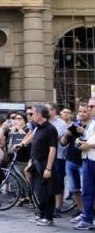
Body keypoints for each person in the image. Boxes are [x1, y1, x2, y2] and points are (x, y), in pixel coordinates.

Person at [23, 104, 59, 226]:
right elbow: (32, 138)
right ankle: (41, 214)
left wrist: (48, 168)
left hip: (44, 164)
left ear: (39, 114)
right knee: (38, 191)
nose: (30, 116)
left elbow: (53, 149)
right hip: (36, 163)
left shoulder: (50, 129)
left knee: (47, 191)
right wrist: (22, 144)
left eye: (32, 113)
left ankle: (48, 218)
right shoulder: (38, 127)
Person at [62, 101, 89, 224]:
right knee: (74, 188)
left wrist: (84, 132)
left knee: (87, 189)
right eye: (80, 111)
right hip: (71, 160)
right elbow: (63, 143)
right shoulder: (74, 124)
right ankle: (81, 211)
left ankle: (89, 213)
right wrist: (66, 135)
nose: (82, 114)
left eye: (84, 111)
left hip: (84, 161)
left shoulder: (91, 126)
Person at [73, 98, 95, 230]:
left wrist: (89, 145)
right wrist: (79, 141)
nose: (89, 108)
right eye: (89, 106)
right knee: (87, 191)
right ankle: (87, 218)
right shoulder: (92, 122)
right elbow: (87, 137)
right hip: (88, 159)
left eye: (92, 106)